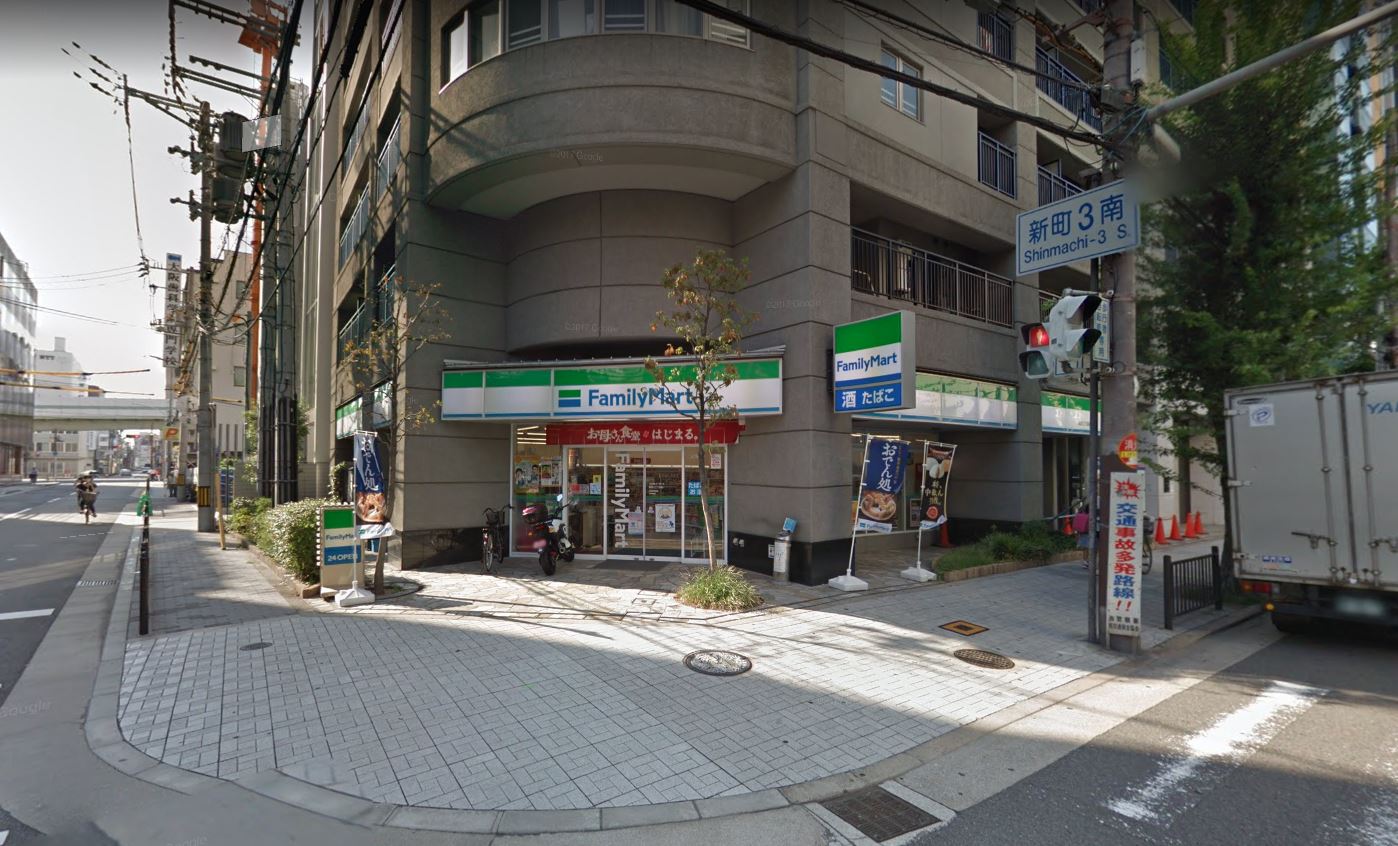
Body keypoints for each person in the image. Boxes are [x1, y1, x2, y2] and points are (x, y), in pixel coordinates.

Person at [1073, 503, 1092, 568]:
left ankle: (1085, 562)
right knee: (1093, 548)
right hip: (1090, 533)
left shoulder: (1081, 515)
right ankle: (1091, 561)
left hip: (1083, 533)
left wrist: (1077, 537)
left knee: (1085, 549)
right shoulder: (1091, 516)